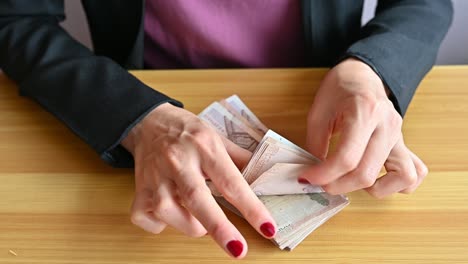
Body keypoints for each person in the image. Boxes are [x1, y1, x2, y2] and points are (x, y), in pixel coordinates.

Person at [0, 0, 452, 259]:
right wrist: (136, 118)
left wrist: (372, 69)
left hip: (321, 94)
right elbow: (14, 19)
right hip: (141, 97)